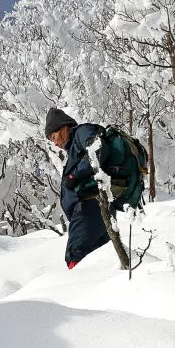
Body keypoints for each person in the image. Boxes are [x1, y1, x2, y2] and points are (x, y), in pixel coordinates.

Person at [44, 107, 113, 269]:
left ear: (64, 128)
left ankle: (80, 290)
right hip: (93, 210)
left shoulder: (82, 132)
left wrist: (74, 176)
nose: (55, 143)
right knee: (99, 259)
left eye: (54, 136)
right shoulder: (75, 147)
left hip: (89, 209)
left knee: (76, 256)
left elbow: (98, 147)